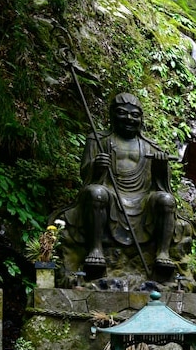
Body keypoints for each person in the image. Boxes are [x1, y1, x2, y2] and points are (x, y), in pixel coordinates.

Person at [67, 92, 176, 270]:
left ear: (141, 118)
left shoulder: (150, 146)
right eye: (122, 113)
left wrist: (160, 166)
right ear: (111, 115)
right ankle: (96, 249)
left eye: (135, 115)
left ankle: (163, 253)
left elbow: (161, 182)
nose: (129, 118)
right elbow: (85, 175)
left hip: (142, 197)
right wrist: (97, 166)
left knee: (167, 200)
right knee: (95, 193)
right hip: (110, 193)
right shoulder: (98, 140)